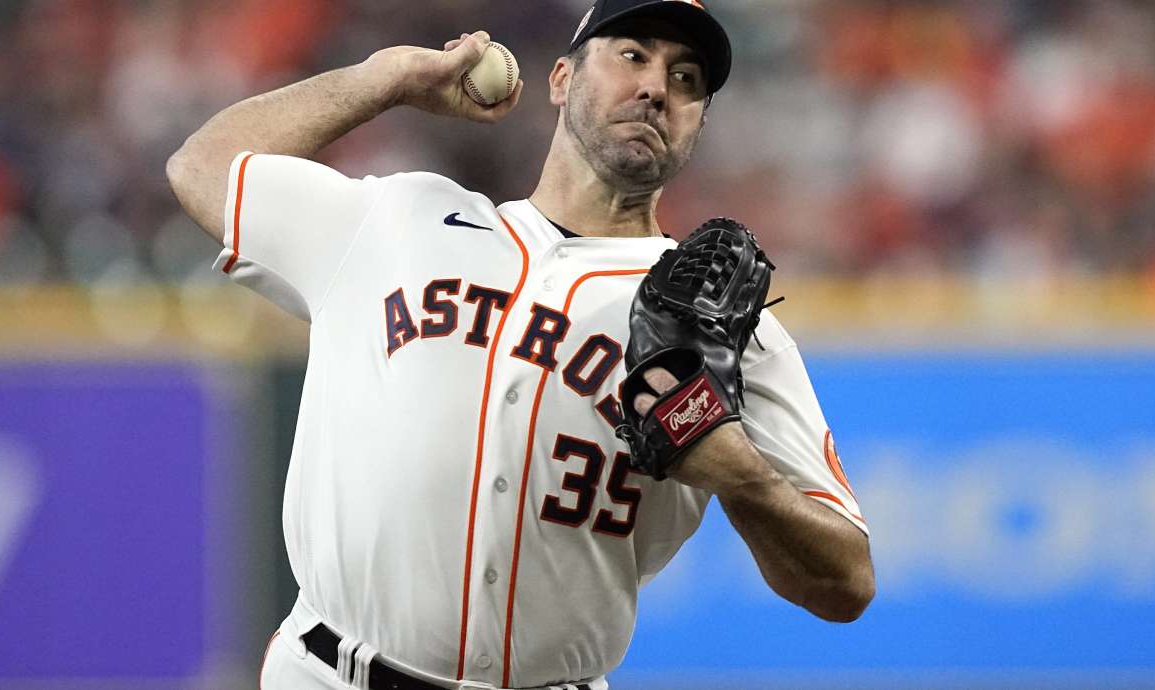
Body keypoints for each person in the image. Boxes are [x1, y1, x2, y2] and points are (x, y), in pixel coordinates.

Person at [167, 1, 874, 688]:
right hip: (330, 673)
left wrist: (739, 474)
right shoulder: (398, 217)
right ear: (561, 80)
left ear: (697, 125)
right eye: (632, 55)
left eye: (687, 79)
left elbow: (846, 582)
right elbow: (200, 167)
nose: (657, 87)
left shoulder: (724, 328)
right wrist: (388, 80)